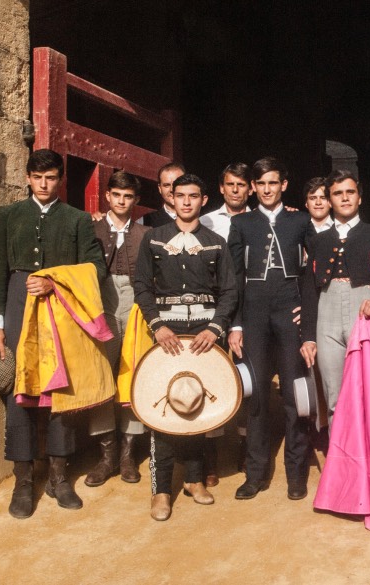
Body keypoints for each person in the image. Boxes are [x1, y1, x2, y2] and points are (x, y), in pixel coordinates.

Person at [0, 149, 108, 518]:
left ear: (60, 179)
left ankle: (58, 477)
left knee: (60, 394)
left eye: (51, 177)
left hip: (61, 312)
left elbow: (96, 268)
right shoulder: (8, 216)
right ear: (27, 177)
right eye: (37, 177)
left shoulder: (77, 219)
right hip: (18, 308)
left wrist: (56, 282)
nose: (44, 184)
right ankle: (24, 481)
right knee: (19, 393)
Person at [133, 173, 240, 521]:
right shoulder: (154, 239)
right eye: (180, 196)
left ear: (203, 200)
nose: (187, 202)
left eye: (194, 196)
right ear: (171, 198)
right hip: (167, 331)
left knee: (196, 403)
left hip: (205, 332)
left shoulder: (215, 242)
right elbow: (141, 286)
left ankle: (194, 479)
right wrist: (156, 324)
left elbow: (229, 291)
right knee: (162, 407)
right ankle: (161, 489)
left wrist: (216, 327)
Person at [227, 157, 313, 501]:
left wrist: (306, 311)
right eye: (260, 184)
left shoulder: (299, 220)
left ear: (284, 185)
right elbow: (233, 277)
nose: (266, 190)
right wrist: (235, 324)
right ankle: (256, 472)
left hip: (289, 313)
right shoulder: (243, 223)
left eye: (273, 183)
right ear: (253, 187)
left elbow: (313, 270)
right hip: (253, 314)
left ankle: (296, 473)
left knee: (295, 393)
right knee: (257, 394)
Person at [300, 170, 370, 416]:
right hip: (326, 320)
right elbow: (310, 292)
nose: (345, 198)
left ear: (360, 198)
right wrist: (308, 336)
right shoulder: (319, 241)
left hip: (364, 317)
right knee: (334, 396)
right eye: (338, 193)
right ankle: (341, 455)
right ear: (329, 200)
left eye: (350, 192)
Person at [85, 171, 151, 487]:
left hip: (135, 302)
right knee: (101, 373)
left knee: (133, 372)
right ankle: (107, 454)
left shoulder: (146, 234)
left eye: (128, 197)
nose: (122, 201)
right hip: (102, 300)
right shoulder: (91, 228)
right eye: (117, 195)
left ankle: (128, 453)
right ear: (107, 196)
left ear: (135, 201)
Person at [199, 162, 253, 486]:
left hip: (247, 305)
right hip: (213, 307)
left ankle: (246, 446)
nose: (235, 190)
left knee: (247, 379)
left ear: (250, 189)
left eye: (241, 185)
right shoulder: (205, 221)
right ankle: (211, 454)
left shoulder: (260, 221)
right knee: (213, 379)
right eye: (230, 184)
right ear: (221, 188)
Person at [140, 162, 185, 227]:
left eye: (176, 184)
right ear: (160, 188)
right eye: (166, 185)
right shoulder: (146, 222)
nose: (171, 190)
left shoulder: (202, 219)